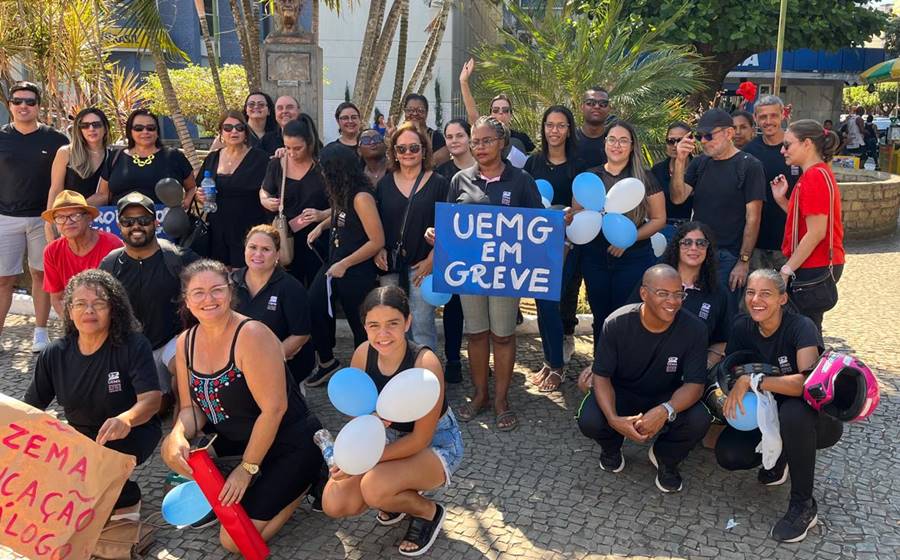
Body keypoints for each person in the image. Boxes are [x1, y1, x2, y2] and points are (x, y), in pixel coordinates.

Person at [161, 259, 323, 553]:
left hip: (288, 442)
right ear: (186, 299)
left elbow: (274, 410)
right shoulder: (185, 342)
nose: (208, 299)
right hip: (236, 443)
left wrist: (246, 470)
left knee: (233, 541)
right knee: (170, 452)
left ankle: (307, 481)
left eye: (216, 290)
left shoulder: (252, 335)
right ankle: (229, 495)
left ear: (230, 291)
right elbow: (190, 409)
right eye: (198, 293)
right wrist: (177, 435)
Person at [322, 286, 463, 557]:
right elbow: (359, 417)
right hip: (386, 441)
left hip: (433, 445)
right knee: (335, 501)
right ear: (364, 326)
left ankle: (428, 512)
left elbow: (420, 439)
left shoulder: (425, 363)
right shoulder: (364, 353)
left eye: (392, 324)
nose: (382, 334)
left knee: (373, 488)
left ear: (408, 322)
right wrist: (349, 458)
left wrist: (364, 464)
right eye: (373, 325)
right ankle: (396, 498)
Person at [716, 269, 842, 543]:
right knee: (730, 455)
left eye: (766, 294)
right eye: (750, 292)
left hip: (812, 419)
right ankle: (779, 460)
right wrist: (732, 386)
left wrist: (755, 380)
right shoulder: (741, 327)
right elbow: (731, 370)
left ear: (783, 299)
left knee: (793, 413)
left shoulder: (801, 327)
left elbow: (806, 384)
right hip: (764, 413)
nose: (756, 300)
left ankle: (803, 505)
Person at [25, 269, 162, 520]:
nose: (89, 310)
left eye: (99, 304)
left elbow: (152, 399)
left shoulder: (133, 345)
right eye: (80, 304)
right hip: (81, 435)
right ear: (68, 310)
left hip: (132, 431)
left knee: (95, 484)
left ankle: (126, 494)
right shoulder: (54, 353)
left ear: (114, 309)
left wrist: (127, 419)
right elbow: (31, 408)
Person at [444, 116, 542, 432]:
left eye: (487, 140)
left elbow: (536, 228)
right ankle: (480, 395)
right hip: (470, 271)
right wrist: (439, 235)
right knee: (476, 333)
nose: (480, 147)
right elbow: (451, 226)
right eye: (475, 141)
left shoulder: (521, 180)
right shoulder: (459, 180)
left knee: (502, 334)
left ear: (502, 143)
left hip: (506, 272)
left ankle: (501, 400)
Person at [576, 265, 711, 493]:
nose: (673, 301)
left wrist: (665, 410)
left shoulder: (694, 329)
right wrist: (613, 418)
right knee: (590, 419)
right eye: (663, 294)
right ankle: (611, 447)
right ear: (644, 294)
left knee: (699, 419)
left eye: (678, 294)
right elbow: (602, 376)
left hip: (666, 394)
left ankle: (666, 458)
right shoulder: (617, 323)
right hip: (623, 392)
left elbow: (695, 385)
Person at [100, 191, 200, 397]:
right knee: (146, 406)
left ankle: (183, 423)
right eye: (128, 221)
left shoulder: (179, 259)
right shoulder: (110, 265)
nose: (136, 226)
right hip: (130, 348)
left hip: (171, 343)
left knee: (188, 376)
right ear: (119, 225)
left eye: (144, 220)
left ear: (156, 223)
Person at [574, 120, 666, 343]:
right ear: (604, 143)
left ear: (632, 146)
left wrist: (629, 238)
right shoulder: (590, 177)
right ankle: (600, 370)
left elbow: (659, 219)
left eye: (623, 140)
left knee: (626, 318)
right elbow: (577, 215)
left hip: (634, 257)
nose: (617, 145)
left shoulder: (644, 178)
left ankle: (624, 373)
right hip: (595, 257)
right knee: (601, 317)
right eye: (612, 139)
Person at [671, 108, 766, 317]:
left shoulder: (749, 165)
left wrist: (743, 261)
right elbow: (678, 197)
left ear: (729, 133)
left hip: (729, 256)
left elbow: (754, 218)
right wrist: (680, 161)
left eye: (708, 135)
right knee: (694, 312)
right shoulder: (700, 163)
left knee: (723, 316)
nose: (703, 141)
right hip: (698, 253)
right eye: (699, 136)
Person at [304, 148, 385, 387]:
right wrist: (322, 225)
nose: (322, 173)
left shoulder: (361, 197)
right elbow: (343, 217)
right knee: (314, 305)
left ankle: (371, 374)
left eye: (325, 169)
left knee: (359, 323)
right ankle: (327, 363)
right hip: (336, 263)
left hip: (355, 270)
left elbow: (376, 240)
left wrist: (345, 263)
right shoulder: (343, 192)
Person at [0, 81, 69, 351]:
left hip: (44, 219)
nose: (24, 106)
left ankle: (40, 332)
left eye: (30, 101)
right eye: (18, 101)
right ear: (10, 105)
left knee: (41, 275)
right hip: (5, 217)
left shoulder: (56, 140)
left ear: (38, 106)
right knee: (4, 279)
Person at [375, 122, 449, 350]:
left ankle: (427, 377)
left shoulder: (439, 183)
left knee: (423, 326)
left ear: (424, 150)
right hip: (390, 266)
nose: (408, 153)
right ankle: (398, 378)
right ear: (394, 152)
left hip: (423, 266)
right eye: (401, 148)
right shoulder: (384, 184)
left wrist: (432, 259)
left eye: (414, 148)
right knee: (392, 324)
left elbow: (449, 228)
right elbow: (376, 222)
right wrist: (378, 249)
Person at [524, 106, 581, 392]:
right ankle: (549, 361)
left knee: (554, 304)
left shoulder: (578, 165)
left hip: (569, 247)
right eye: (550, 125)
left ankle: (557, 366)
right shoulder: (532, 164)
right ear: (543, 128)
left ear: (569, 129)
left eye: (561, 125)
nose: (554, 131)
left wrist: (569, 239)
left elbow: (585, 208)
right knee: (541, 304)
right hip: (537, 248)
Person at [772, 119, 845, 338]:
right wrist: (782, 199)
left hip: (815, 262)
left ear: (807, 144)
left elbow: (815, 232)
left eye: (788, 144)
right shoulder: (817, 173)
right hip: (816, 261)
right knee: (805, 327)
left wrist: (787, 269)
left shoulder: (814, 177)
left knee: (805, 329)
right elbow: (804, 222)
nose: (783, 150)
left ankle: (810, 370)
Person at [232, 225, 314, 384]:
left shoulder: (291, 288)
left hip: (283, 364)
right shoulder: (229, 283)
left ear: (277, 254)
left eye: (265, 249)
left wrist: (270, 359)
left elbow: (301, 334)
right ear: (245, 250)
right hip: (239, 363)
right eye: (253, 247)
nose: (258, 254)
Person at [260, 115, 331, 287]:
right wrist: (266, 201)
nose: (292, 153)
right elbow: (264, 191)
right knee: (289, 287)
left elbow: (343, 205)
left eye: (297, 148)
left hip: (318, 238)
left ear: (309, 143)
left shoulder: (323, 166)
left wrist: (322, 215)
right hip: (286, 237)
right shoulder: (277, 164)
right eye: (287, 147)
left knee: (317, 291)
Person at [197, 111, 270, 268]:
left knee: (245, 278)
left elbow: (270, 190)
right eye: (228, 127)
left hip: (249, 229)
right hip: (217, 229)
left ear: (246, 131)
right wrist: (200, 195)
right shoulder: (212, 158)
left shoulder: (260, 158)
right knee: (220, 275)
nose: (234, 131)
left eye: (239, 127)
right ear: (221, 132)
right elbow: (199, 187)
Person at [433, 119, 475, 383]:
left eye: (460, 135)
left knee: (482, 311)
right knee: (454, 308)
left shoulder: (486, 169)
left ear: (470, 137)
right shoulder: (443, 174)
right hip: (454, 254)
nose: (455, 140)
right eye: (449, 136)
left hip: (486, 254)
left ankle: (481, 360)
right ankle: (453, 359)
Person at [91, 109, 196, 207]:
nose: (145, 132)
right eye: (138, 128)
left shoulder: (174, 156)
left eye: (151, 128)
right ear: (130, 132)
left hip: (165, 223)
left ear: (157, 131)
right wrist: (79, 207)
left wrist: (186, 203)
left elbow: (192, 187)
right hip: (121, 223)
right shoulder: (115, 157)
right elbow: (103, 195)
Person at [41, 190, 123, 317]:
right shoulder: (52, 251)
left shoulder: (113, 246)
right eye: (60, 217)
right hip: (74, 319)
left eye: (75, 215)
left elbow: (120, 296)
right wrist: (74, 326)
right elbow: (57, 298)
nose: (68, 222)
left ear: (88, 217)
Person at [658, 222, 728, 366]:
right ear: (676, 247)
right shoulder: (656, 280)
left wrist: (705, 365)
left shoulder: (717, 292)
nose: (694, 248)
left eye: (701, 243)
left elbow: (723, 340)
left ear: (708, 249)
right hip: (650, 365)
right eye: (687, 242)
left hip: (692, 372)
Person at [743, 96, 800, 274]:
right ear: (755, 118)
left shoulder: (798, 150)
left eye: (773, 116)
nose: (768, 121)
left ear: (783, 115)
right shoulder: (748, 152)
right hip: (757, 245)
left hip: (790, 244)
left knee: (788, 299)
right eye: (763, 117)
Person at [46, 108, 111, 241]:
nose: (91, 129)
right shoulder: (65, 153)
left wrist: (77, 211)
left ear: (105, 128)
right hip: (68, 222)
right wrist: (50, 221)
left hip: (102, 220)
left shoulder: (113, 155)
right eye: (85, 125)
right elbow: (55, 188)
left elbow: (105, 195)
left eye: (96, 124)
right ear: (79, 129)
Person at [458, 58, 535, 155]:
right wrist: (463, 82)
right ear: (490, 114)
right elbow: (472, 114)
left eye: (505, 110)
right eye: (496, 110)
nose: (500, 113)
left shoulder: (521, 139)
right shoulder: (483, 134)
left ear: (511, 114)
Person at [650, 122, 694, 241]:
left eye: (680, 141)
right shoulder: (657, 170)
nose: (675, 145)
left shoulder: (699, 168)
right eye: (670, 141)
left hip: (691, 232)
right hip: (661, 230)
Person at [400, 93, 450, 166]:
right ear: (405, 112)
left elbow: (441, 163)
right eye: (410, 110)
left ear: (426, 113)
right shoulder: (399, 136)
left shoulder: (436, 137)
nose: (414, 114)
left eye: (420, 110)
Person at [574, 86, 615, 168]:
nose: (597, 107)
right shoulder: (569, 139)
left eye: (603, 104)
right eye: (590, 103)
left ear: (609, 109)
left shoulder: (616, 143)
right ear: (581, 107)